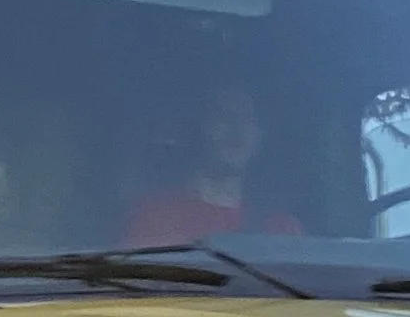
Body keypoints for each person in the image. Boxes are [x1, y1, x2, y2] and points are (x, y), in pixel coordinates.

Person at [121, 81, 302, 247]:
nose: (237, 129)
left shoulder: (282, 229)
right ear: (201, 128)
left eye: (248, 120)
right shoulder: (156, 215)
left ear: (259, 138)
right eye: (224, 117)